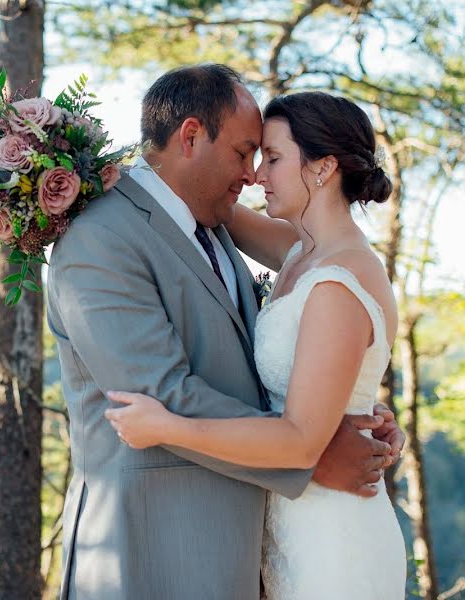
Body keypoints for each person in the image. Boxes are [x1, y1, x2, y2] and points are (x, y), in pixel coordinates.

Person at [46, 65, 404, 600]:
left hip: (309, 538)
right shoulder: (115, 235)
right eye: (246, 154)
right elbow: (156, 393)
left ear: (324, 168)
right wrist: (314, 452)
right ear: (191, 136)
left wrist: (340, 416)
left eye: (270, 158)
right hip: (157, 546)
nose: (255, 174)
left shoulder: (319, 266)